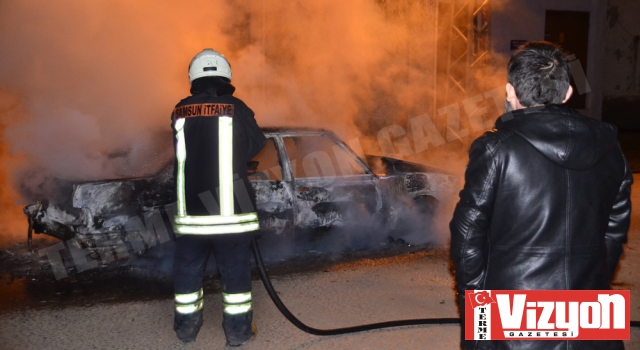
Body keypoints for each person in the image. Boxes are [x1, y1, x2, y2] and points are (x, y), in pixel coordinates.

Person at [450, 41, 633, 350]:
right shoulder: (612, 148)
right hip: (591, 312)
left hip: (512, 313)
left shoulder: (495, 148)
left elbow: (467, 234)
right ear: (567, 94)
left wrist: (478, 311)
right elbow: (615, 234)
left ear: (510, 92)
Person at [171, 48, 266, 346]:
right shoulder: (236, 108)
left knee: (187, 273)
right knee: (235, 276)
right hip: (231, 216)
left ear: (193, 77)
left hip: (192, 217)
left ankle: (186, 329)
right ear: (226, 74)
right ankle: (237, 333)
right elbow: (256, 143)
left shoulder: (180, 111)